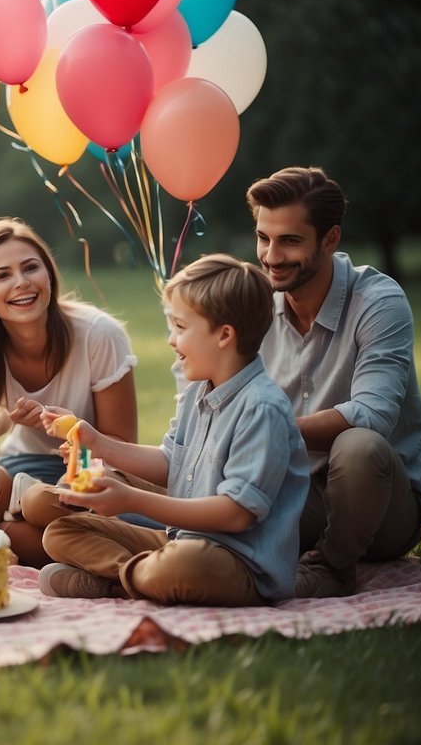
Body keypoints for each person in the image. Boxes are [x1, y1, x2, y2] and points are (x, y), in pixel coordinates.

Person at [38, 254, 309, 605]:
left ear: (224, 335)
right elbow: (171, 462)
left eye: (180, 328)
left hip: (239, 565)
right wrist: (98, 442)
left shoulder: (261, 407)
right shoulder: (200, 389)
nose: (170, 340)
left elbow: (236, 513)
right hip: (179, 543)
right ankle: (137, 577)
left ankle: (120, 581)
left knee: (184, 564)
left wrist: (132, 500)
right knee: (59, 531)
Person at [247, 166, 421, 598]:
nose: (271, 256)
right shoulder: (253, 304)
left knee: (359, 443)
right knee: (179, 482)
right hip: (294, 489)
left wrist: (267, 428)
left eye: (290, 241)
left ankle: (334, 568)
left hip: (378, 505)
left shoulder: (378, 301)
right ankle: (122, 559)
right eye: (264, 238)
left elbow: (372, 416)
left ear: (330, 239)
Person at [0, 217, 139, 565]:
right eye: (3, 275)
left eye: (30, 268)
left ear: (48, 275)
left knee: (28, 520)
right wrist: (5, 420)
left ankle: (110, 551)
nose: (22, 283)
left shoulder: (98, 335)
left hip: (94, 471)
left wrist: (71, 431)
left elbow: (122, 447)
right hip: (21, 467)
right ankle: (91, 557)